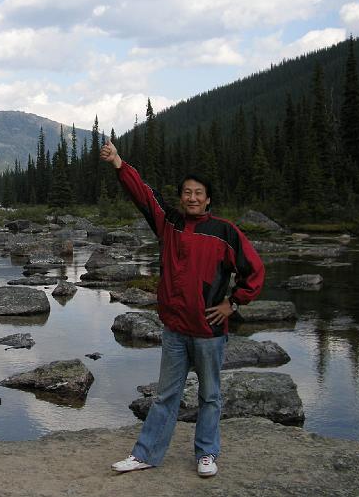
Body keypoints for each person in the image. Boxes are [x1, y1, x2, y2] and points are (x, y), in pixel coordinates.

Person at [99, 138, 264, 478]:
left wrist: (233, 303)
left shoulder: (225, 232)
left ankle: (206, 454)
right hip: (175, 329)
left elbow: (255, 272)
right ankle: (146, 454)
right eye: (187, 192)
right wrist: (118, 163)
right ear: (181, 197)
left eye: (198, 192)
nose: (192, 197)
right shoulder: (168, 223)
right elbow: (144, 195)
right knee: (165, 396)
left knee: (210, 396)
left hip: (208, 331)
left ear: (208, 199)